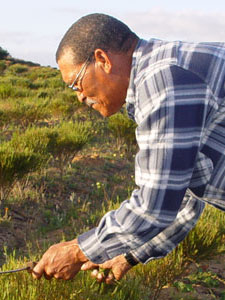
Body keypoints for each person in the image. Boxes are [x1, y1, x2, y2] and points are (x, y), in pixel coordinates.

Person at [32, 13, 225, 284]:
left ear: (102, 60)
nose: (79, 96)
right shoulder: (164, 72)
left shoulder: (162, 82)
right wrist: (129, 255)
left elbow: (154, 204)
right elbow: (181, 193)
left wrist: (77, 250)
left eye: (76, 84)